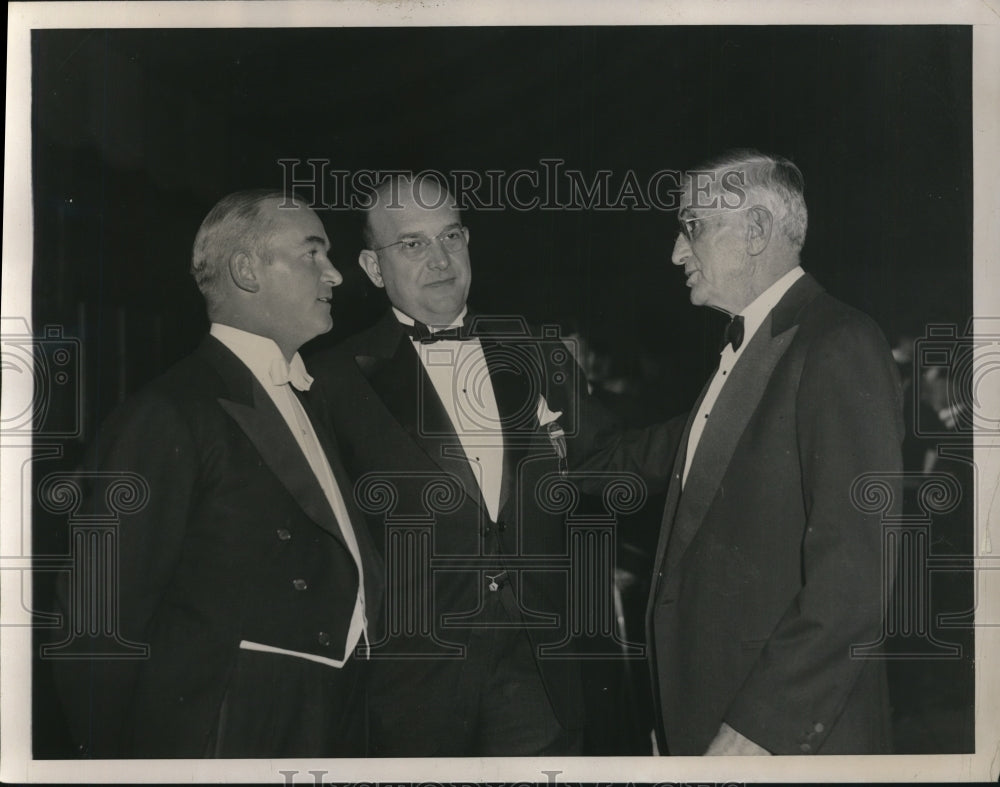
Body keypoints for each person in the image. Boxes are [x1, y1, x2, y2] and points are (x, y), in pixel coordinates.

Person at [308, 175, 680, 756]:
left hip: (539, 670)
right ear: (373, 268)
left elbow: (608, 460)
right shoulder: (331, 382)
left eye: (451, 236)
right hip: (411, 683)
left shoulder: (537, 353)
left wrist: (720, 415)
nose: (440, 259)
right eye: (413, 244)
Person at [51, 190, 383, 758]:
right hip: (230, 731)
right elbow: (97, 623)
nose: (334, 274)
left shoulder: (307, 399)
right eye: (312, 252)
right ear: (247, 270)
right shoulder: (169, 412)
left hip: (331, 717)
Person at [648, 150, 904, 755]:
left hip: (778, 738)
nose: (677, 252)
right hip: (713, 721)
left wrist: (755, 730)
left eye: (692, 226)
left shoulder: (840, 342)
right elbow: (652, 455)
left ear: (756, 230)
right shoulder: (760, 350)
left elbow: (857, 576)